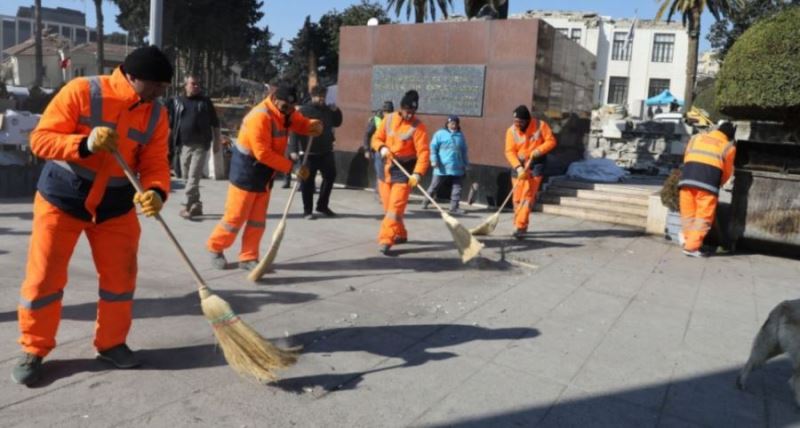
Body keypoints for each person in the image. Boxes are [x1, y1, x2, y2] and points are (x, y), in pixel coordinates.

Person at [12, 46, 173, 386]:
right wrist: (84, 144)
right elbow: (40, 140)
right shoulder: (82, 91)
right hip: (62, 199)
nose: (160, 93)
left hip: (115, 207)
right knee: (44, 279)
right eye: (156, 85)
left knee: (120, 280)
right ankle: (34, 348)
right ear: (132, 77)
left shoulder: (156, 114)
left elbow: (156, 161)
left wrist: (157, 192)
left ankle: (111, 343)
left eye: (164, 87)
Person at [206, 83, 322, 270]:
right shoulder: (259, 116)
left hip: (265, 173)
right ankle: (215, 247)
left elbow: (299, 122)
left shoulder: (287, 112)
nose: (289, 111)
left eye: (292, 107)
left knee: (257, 219)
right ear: (274, 99)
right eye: (285, 106)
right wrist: (291, 167)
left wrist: (311, 125)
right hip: (245, 171)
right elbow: (263, 153)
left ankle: (248, 257)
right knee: (236, 217)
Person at [371, 90, 430, 255]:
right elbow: (376, 138)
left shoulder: (418, 127)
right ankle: (401, 233)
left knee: (395, 208)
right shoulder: (389, 119)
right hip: (384, 169)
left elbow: (423, 153)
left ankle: (386, 239)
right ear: (401, 108)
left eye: (413, 112)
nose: (410, 115)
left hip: (403, 173)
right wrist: (381, 147)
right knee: (389, 209)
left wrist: (418, 173)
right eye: (407, 111)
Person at [168, 74, 225, 219]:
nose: (196, 86)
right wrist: (166, 144)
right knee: (186, 177)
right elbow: (170, 125)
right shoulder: (177, 102)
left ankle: (187, 204)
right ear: (185, 86)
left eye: (197, 84)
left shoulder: (205, 102)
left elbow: (215, 124)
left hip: (201, 145)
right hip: (183, 146)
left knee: (193, 177)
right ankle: (196, 205)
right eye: (193, 84)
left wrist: (216, 143)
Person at [678, 122, 736, 258]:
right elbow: (727, 171)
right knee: (703, 218)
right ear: (729, 136)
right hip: (708, 186)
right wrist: (719, 183)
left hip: (687, 180)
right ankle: (691, 248)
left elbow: (686, 157)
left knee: (688, 215)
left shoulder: (696, 138)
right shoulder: (728, 147)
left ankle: (688, 241)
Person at [289, 85, 343, 219]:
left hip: (326, 151)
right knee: (307, 181)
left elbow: (337, 123)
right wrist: (293, 149)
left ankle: (322, 205)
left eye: (324, 96)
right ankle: (307, 211)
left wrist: (336, 111)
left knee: (330, 176)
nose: (322, 99)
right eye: (319, 96)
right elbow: (294, 131)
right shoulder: (304, 111)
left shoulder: (328, 110)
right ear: (312, 96)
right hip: (309, 153)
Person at [504, 105, 557, 240]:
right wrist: (518, 167)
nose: (517, 124)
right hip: (519, 166)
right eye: (515, 121)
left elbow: (551, 141)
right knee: (517, 198)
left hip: (535, 165)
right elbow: (509, 152)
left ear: (527, 120)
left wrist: (539, 150)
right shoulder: (511, 131)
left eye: (520, 122)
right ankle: (519, 224)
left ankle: (520, 226)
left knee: (527, 197)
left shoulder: (540, 125)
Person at [422, 115, 469, 214]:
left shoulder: (460, 135)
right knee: (434, 185)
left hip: (457, 166)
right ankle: (425, 201)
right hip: (442, 166)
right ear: (447, 124)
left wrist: (465, 164)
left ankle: (454, 207)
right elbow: (433, 147)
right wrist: (434, 160)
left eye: (455, 123)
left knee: (457, 188)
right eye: (451, 123)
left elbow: (464, 151)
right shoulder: (440, 134)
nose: (453, 125)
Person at [364, 101, 395, 197]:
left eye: (390, 112)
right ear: (383, 111)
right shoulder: (376, 120)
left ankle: (383, 193)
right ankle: (380, 193)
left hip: (389, 151)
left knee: (387, 172)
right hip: (377, 150)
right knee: (380, 172)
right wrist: (366, 150)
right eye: (387, 112)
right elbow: (367, 135)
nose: (388, 114)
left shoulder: (394, 120)